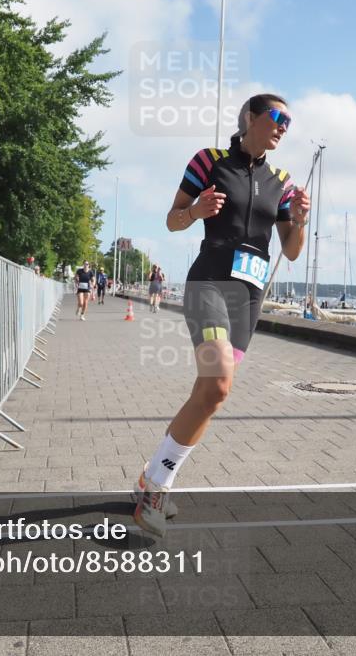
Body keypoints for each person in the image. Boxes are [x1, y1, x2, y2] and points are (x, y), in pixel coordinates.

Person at [132, 93, 311, 535]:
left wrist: (300, 221)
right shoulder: (209, 161)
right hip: (209, 282)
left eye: (289, 121)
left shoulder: (283, 181)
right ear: (250, 117)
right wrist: (195, 212)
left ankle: (153, 478)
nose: (283, 126)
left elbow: (289, 251)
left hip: (247, 298)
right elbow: (172, 219)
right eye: (276, 116)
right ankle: (155, 490)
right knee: (218, 383)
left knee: (213, 395)